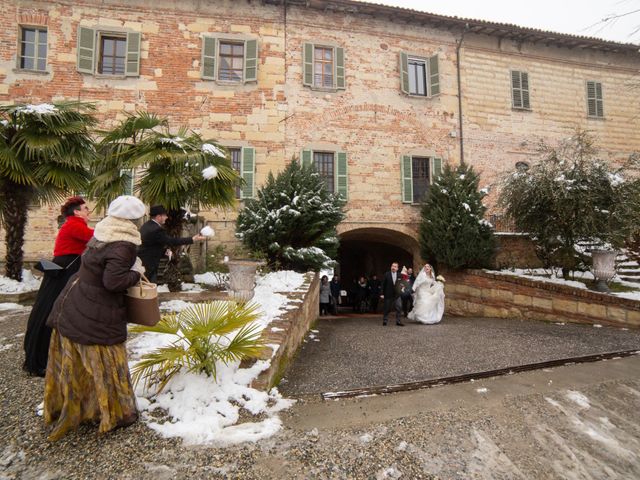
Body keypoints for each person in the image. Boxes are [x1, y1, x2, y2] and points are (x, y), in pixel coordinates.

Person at [43, 195, 147, 441]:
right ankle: (116, 413)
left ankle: (83, 407)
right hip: (95, 312)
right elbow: (113, 282)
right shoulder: (124, 243)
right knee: (108, 363)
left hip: (74, 301)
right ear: (135, 219)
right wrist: (136, 272)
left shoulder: (102, 232)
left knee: (81, 364)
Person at [23, 197, 93, 377]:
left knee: (57, 310)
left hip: (67, 268)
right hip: (65, 270)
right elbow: (96, 238)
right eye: (85, 208)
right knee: (52, 311)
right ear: (77, 212)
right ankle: (41, 358)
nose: (89, 211)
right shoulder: (74, 224)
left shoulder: (74, 224)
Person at [138, 205, 205, 283]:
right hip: (149, 265)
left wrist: (164, 251)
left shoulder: (146, 225)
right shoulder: (156, 229)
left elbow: (152, 243)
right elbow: (172, 241)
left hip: (143, 262)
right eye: (165, 215)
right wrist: (192, 239)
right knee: (149, 289)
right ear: (159, 216)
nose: (166, 217)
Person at [381, 262, 404, 326]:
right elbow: (383, 284)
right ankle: (385, 320)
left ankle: (398, 321)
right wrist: (382, 294)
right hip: (388, 294)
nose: (393, 267)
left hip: (397, 294)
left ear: (397, 268)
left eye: (395, 266)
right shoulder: (386, 274)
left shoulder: (400, 275)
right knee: (387, 308)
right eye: (392, 266)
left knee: (399, 307)